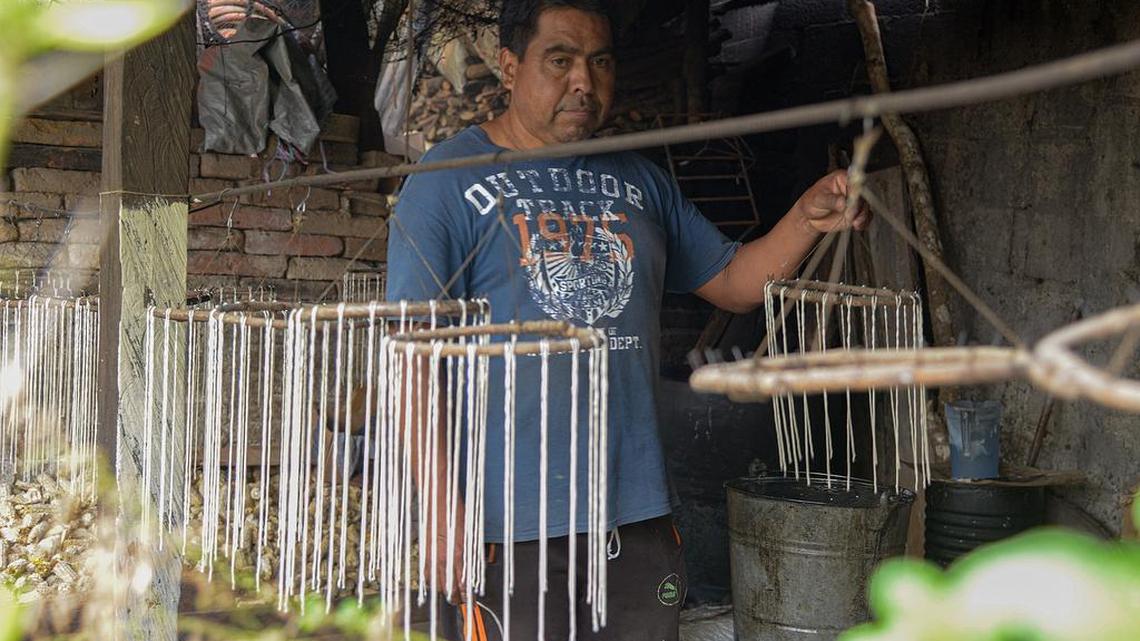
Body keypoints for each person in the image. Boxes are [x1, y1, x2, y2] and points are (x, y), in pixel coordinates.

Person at [385, 1, 870, 639]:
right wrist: (440, 509)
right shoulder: (446, 181)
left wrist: (806, 218)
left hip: (634, 513)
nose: (583, 82)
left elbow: (734, 282)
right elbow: (412, 354)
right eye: (560, 61)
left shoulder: (642, 181)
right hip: (506, 521)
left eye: (600, 62)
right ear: (509, 66)